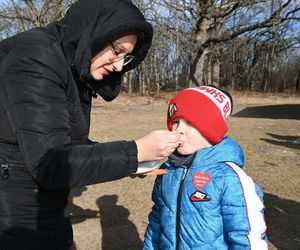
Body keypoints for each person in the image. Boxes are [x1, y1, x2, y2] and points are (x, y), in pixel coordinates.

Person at [0, 0, 180, 249]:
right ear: (94, 33)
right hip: (14, 213)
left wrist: (132, 162)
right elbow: (49, 162)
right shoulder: (36, 57)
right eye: (117, 50)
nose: (118, 65)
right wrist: (135, 151)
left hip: (43, 203)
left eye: (126, 58)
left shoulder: (74, 65)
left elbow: (68, 144)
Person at [143, 85, 268, 249]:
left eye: (189, 123)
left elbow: (247, 237)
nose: (178, 130)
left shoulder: (230, 178)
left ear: (211, 129)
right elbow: (156, 221)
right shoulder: (168, 170)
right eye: (175, 122)